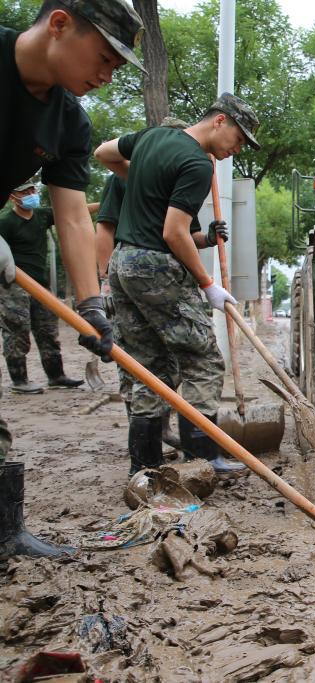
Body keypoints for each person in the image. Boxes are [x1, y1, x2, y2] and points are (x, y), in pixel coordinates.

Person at [0, 0, 143, 560]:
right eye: (105, 58)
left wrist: (91, 303)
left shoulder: (69, 122)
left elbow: (73, 215)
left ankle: (5, 531)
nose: (107, 76)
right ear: (59, 23)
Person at [94, 94, 258, 476]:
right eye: (238, 138)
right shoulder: (198, 163)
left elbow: (103, 152)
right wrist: (207, 284)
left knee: (150, 367)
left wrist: (141, 179)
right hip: (156, 266)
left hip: (124, 264)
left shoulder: (151, 138)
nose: (236, 149)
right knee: (203, 358)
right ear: (219, 121)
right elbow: (174, 232)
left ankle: (146, 468)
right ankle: (202, 459)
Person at [94, 117, 194, 450]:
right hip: (128, 276)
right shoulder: (124, 178)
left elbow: (181, 234)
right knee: (136, 363)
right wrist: (106, 282)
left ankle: (160, 429)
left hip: (161, 282)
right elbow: (105, 228)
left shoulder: (175, 179)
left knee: (167, 362)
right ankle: (142, 445)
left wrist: (207, 237)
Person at [0, 180, 96, 392]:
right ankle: (19, 380)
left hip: (40, 285)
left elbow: (75, 212)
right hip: (13, 285)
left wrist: (107, 204)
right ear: (13, 197)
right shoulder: (6, 222)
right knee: (17, 330)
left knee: (48, 330)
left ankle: (56, 376)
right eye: (25, 191)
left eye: (32, 190)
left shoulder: (42, 216)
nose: (31, 194)